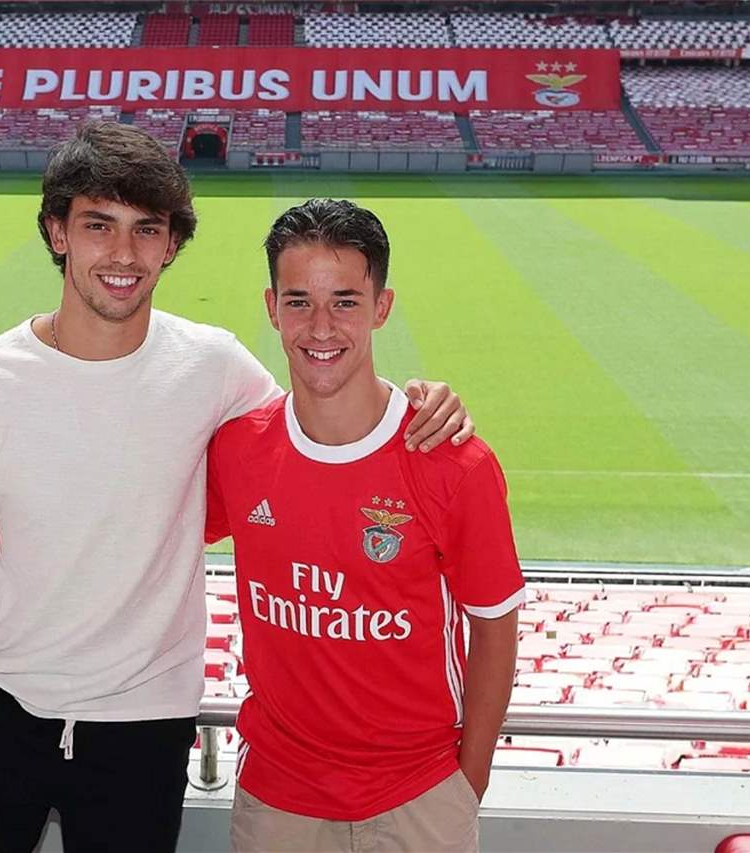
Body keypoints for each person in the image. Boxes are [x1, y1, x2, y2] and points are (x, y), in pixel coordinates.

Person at [0, 122, 475, 853]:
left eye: (146, 229)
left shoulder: (213, 365)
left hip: (146, 723)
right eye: (98, 225)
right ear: (57, 232)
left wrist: (421, 402)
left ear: (171, 244)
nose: (123, 254)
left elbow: (318, 421)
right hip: (1, 705)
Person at [205, 198, 525, 852]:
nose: (320, 326)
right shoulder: (237, 450)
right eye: (299, 301)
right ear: (271, 308)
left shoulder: (454, 462)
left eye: (345, 301)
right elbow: (144, 524)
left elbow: (495, 627)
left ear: (382, 306)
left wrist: (466, 783)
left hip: (418, 799)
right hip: (277, 802)